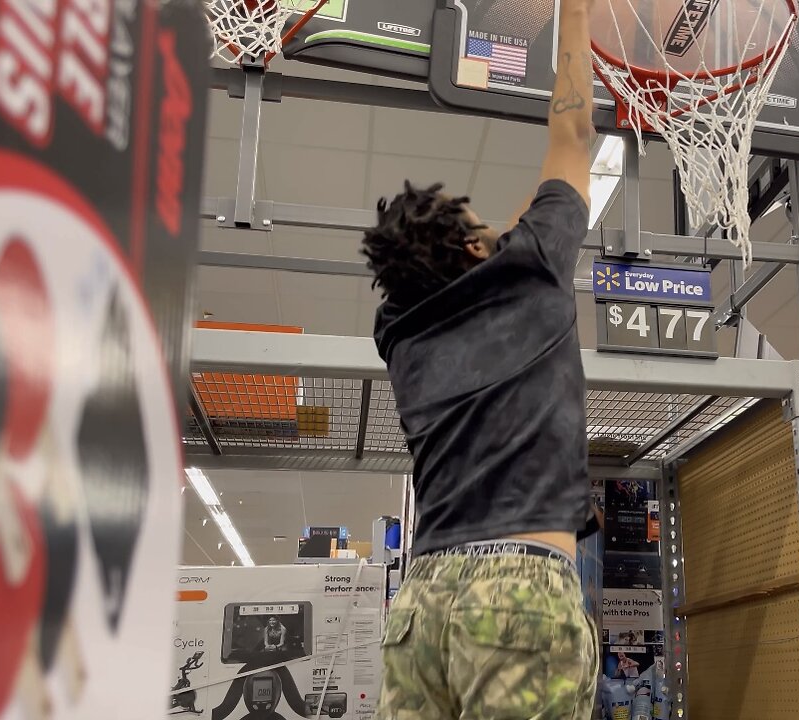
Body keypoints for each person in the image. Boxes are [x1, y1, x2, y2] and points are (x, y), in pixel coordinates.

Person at [360, 0, 600, 716]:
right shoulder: (530, 269)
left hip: (422, 603)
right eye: (484, 228)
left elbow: (532, 210)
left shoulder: (399, 331)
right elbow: (574, 130)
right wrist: (576, 14)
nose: (502, 230)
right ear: (473, 249)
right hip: (518, 595)